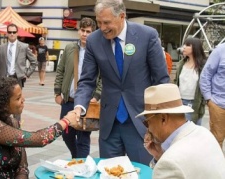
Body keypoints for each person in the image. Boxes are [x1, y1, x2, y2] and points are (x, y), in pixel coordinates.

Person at [70, 0, 170, 165]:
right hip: (110, 124)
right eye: (99, 22)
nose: (102, 28)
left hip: (141, 123)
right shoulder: (94, 41)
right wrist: (79, 107)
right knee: (109, 172)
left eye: (107, 22)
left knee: (143, 173)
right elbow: (87, 81)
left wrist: (161, 119)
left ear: (122, 16)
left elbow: (161, 80)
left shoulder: (147, 35)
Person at [0, 77, 79, 178]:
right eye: (18, 98)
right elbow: (38, 139)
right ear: (3, 103)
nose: (23, 100)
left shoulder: (13, 122)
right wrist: (66, 121)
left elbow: (22, 166)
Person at [137, 83, 225, 178]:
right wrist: (160, 156)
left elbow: (174, 164)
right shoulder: (204, 133)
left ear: (163, 118)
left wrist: (163, 160)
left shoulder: (169, 163)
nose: (148, 129)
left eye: (147, 123)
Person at [54, 17, 101, 158]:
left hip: (87, 102)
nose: (85, 34)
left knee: (83, 138)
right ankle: (77, 158)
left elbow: (103, 76)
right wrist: (57, 91)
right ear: (78, 31)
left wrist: (97, 95)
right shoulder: (70, 48)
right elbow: (60, 70)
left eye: (89, 31)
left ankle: (80, 164)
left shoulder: (98, 51)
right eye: (83, 30)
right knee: (66, 133)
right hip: (69, 100)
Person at [174, 37, 206, 125]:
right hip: (179, 101)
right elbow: (176, 81)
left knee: (192, 131)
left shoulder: (203, 66)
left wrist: (202, 103)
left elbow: (205, 85)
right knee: (179, 130)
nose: (183, 47)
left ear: (195, 47)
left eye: (187, 45)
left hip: (194, 103)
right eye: (184, 45)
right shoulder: (181, 64)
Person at [0, 23, 37, 88]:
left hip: (18, 78)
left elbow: (34, 62)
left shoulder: (24, 47)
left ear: (17, 33)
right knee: (4, 98)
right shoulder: (1, 48)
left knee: (16, 97)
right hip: (4, 79)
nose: (12, 34)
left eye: (14, 32)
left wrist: (27, 73)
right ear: (7, 33)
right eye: (10, 32)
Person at [200, 42, 225, 148]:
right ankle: (218, 164)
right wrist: (209, 99)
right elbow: (206, 74)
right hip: (219, 104)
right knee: (216, 142)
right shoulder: (220, 50)